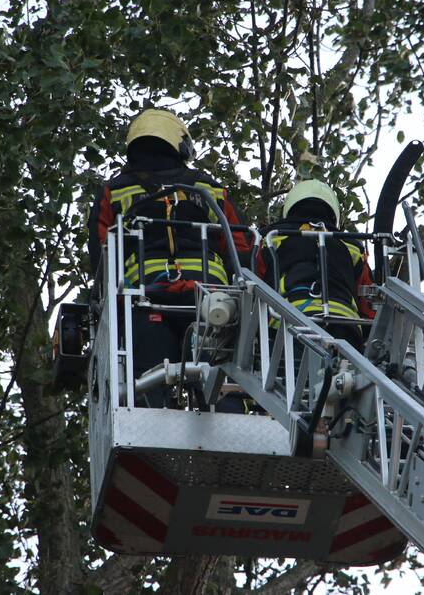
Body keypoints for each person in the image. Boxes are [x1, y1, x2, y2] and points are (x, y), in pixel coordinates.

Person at [87, 108, 252, 406]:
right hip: (209, 303)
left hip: (145, 299)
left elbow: (102, 253)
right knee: (218, 383)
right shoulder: (208, 187)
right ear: (181, 144)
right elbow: (240, 246)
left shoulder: (114, 191)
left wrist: (103, 301)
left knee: (148, 386)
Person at [261, 179, 375, 351]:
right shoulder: (352, 246)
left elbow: (252, 282)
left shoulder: (272, 239)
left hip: (287, 322)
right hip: (345, 328)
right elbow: (369, 305)